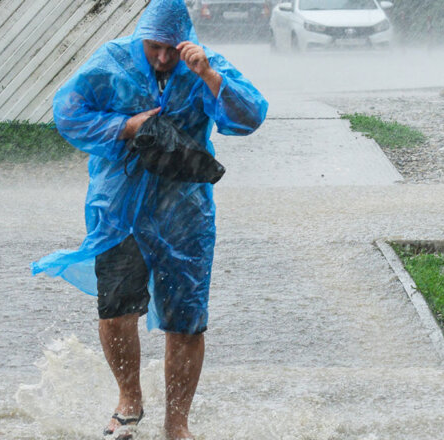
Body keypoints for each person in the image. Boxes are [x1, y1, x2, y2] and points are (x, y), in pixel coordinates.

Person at [31, 0, 267, 438]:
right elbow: (67, 112)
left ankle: (177, 424)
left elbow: (250, 117)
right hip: (118, 210)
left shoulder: (203, 65)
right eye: (154, 47)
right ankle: (129, 400)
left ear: (186, 42)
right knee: (116, 312)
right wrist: (127, 127)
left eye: (171, 49)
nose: (162, 57)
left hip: (185, 214)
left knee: (186, 320)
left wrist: (209, 76)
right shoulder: (111, 62)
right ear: (142, 37)